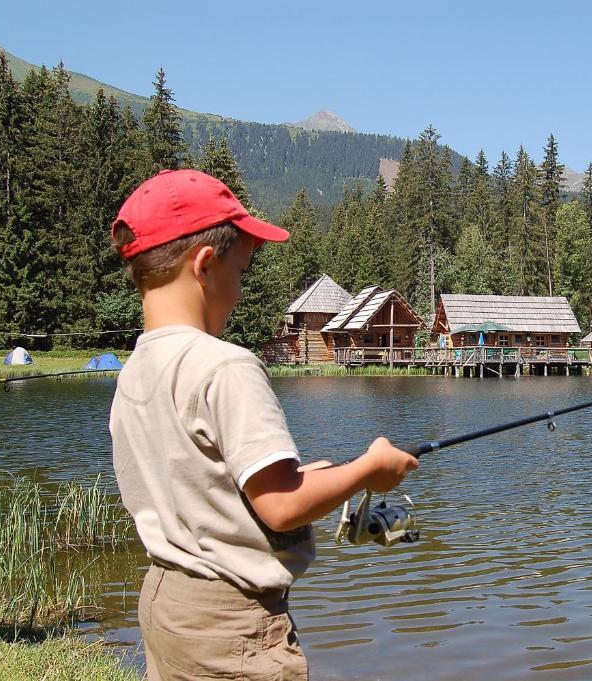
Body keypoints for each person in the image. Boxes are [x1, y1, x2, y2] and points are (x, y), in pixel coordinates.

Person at [109, 169, 418, 680]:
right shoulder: (224, 366)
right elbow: (281, 507)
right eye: (243, 270)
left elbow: (206, 486)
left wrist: (316, 473)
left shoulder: (136, 370)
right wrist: (370, 469)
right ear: (206, 264)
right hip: (231, 623)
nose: (240, 288)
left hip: (168, 602)